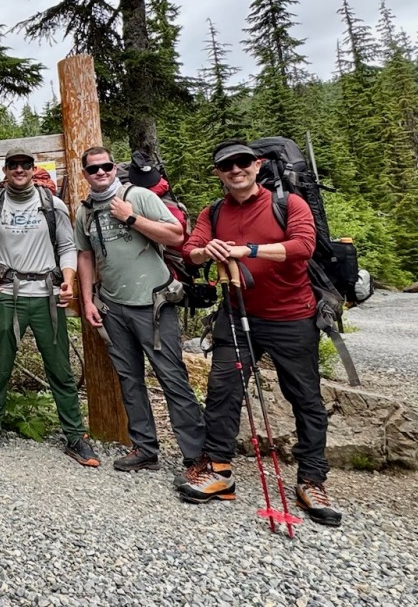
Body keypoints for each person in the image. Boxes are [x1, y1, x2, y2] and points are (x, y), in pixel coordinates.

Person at [176, 140, 340, 526]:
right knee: (222, 391)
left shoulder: (288, 204)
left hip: (293, 317)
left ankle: (312, 479)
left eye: (243, 162)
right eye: (227, 165)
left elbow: (302, 246)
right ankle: (219, 470)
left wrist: (246, 250)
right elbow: (190, 251)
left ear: (258, 164)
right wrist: (208, 251)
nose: (236, 169)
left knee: (305, 398)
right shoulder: (214, 212)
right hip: (236, 314)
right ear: (218, 173)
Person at [74, 145, 206, 472]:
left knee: (172, 377)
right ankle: (145, 448)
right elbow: (85, 256)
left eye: (106, 166)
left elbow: (176, 235)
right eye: (93, 169)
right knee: (129, 379)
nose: (101, 172)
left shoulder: (139, 196)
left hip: (154, 304)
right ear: (85, 174)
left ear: (113, 168)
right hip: (113, 305)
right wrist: (88, 300)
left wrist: (130, 217)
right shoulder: (85, 211)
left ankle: (196, 456)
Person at [0, 146, 99, 466]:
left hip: (47, 295)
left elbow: (68, 247)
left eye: (25, 165)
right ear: (5, 170)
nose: (19, 170)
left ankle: (75, 436)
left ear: (33, 169)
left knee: (60, 368)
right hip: (7, 294)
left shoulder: (52, 204)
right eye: (13, 165)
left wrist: (68, 280)